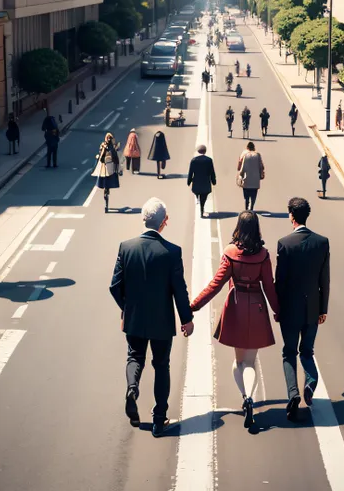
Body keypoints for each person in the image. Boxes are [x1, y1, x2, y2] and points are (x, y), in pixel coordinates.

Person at [109, 198, 194, 438]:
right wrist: (186, 319)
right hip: (162, 321)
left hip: (135, 319)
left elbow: (115, 286)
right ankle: (159, 419)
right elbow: (179, 289)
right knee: (161, 365)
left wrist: (127, 308)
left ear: (143, 219)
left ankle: (133, 389)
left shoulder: (126, 247)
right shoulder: (172, 252)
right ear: (163, 222)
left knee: (135, 357)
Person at [191, 212, 279, 429]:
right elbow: (269, 286)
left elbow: (215, 285)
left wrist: (193, 305)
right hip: (257, 307)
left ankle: (245, 397)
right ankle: (250, 396)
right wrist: (278, 312)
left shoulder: (230, 253)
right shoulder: (264, 254)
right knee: (251, 361)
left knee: (238, 362)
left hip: (237, 306)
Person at [275, 197, 330, 421]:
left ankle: (293, 395)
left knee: (289, 352)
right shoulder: (322, 242)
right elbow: (324, 279)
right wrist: (323, 308)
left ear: (291, 215)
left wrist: (278, 308)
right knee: (307, 351)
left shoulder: (285, 243)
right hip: (312, 308)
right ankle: (311, 379)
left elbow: (280, 281)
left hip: (290, 309)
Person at [187, 145, 216, 217]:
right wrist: (213, 181)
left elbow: (191, 172)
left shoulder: (194, 160)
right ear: (205, 151)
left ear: (198, 151)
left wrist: (189, 181)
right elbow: (212, 172)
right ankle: (202, 209)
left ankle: (197, 198)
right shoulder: (209, 160)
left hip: (196, 181)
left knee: (197, 193)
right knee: (204, 196)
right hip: (205, 182)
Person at [94, 132, 120, 212]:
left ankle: (106, 198)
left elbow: (99, 156)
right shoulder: (112, 147)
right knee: (108, 185)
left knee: (104, 185)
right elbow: (116, 159)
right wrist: (117, 169)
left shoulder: (103, 145)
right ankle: (106, 196)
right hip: (110, 169)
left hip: (103, 169)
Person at [237, 141, 265, 212]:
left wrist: (241, 175)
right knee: (254, 195)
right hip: (255, 180)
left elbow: (243, 168)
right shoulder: (258, 155)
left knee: (246, 196)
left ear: (247, 147)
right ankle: (252, 207)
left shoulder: (246, 155)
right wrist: (261, 175)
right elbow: (261, 166)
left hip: (247, 179)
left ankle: (246, 207)